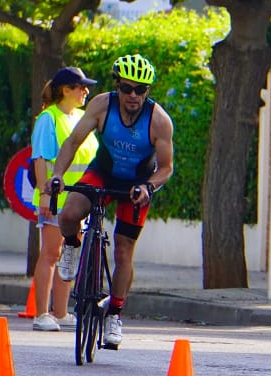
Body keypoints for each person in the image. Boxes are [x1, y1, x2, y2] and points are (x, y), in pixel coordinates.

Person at [45, 54, 174, 349]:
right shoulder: (102, 105)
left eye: (140, 90)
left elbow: (166, 167)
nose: (133, 95)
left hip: (136, 184)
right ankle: (73, 247)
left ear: (147, 92)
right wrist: (58, 175)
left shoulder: (159, 120)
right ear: (117, 86)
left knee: (124, 252)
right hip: (102, 172)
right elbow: (73, 141)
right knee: (68, 215)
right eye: (127, 88)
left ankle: (114, 314)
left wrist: (148, 187)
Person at [29, 67, 100, 331]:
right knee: (51, 253)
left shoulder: (82, 118)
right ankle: (41, 314)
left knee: (69, 252)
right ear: (66, 90)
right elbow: (40, 159)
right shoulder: (49, 118)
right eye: (81, 87)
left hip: (80, 198)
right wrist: (46, 196)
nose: (86, 91)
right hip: (56, 198)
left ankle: (60, 312)